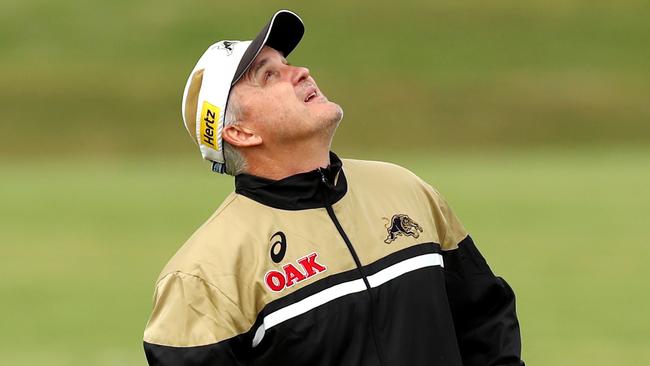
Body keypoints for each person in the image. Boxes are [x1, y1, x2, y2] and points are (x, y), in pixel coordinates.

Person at [143, 9, 524, 366]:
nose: (301, 72)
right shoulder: (201, 276)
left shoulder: (404, 189)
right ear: (240, 132)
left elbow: (486, 319)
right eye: (268, 75)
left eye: (287, 64)